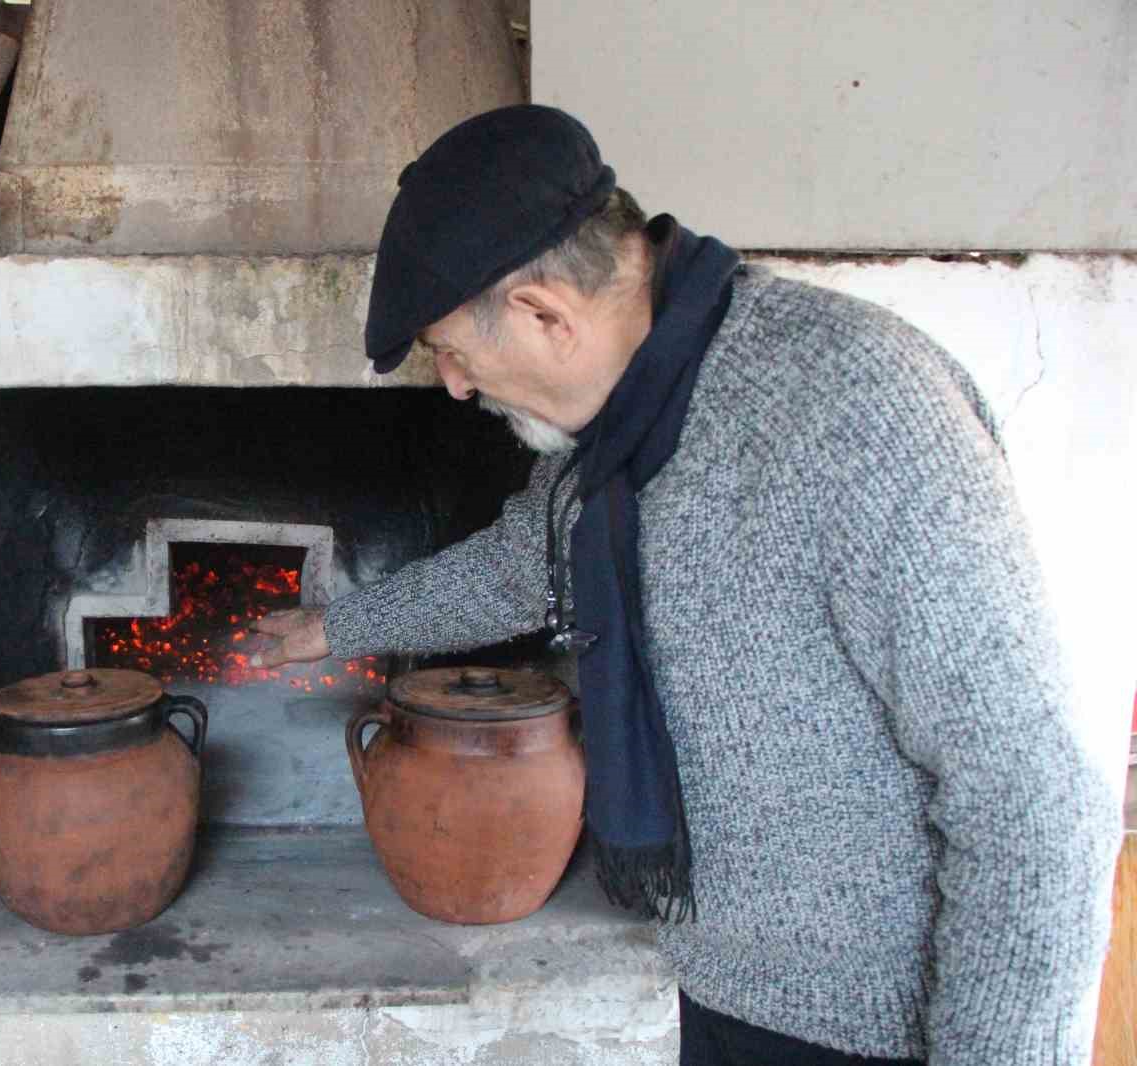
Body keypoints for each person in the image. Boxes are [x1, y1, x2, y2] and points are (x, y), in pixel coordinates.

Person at [251, 105, 1121, 1065]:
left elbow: (1034, 794)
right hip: (714, 990)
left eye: (451, 348)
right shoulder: (615, 432)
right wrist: (339, 626)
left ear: (546, 312)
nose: (454, 384)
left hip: (870, 1032)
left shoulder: (855, 408)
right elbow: (519, 567)